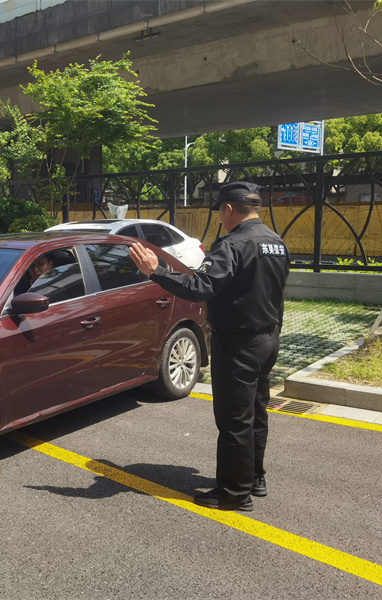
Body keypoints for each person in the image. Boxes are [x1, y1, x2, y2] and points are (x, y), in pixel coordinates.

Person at [130, 181, 290, 512]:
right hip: (268, 339)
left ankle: (234, 493)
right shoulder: (276, 242)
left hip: (238, 344)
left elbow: (200, 286)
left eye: (219, 210)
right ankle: (255, 478)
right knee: (256, 412)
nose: (220, 217)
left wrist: (156, 271)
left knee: (234, 420)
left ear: (228, 209)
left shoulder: (232, 245)